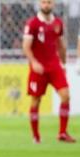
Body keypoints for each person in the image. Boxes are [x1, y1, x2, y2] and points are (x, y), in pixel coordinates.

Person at [22, 0, 76, 143]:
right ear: (40, 4)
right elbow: (26, 46)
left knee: (65, 95)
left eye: (49, 2)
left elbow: (61, 45)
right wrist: (33, 62)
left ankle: (62, 133)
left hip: (54, 66)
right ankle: (36, 135)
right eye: (44, 2)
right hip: (38, 67)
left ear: (53, 4)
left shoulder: (58, 23)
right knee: (36, 100)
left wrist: (63, 63)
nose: (46, 5)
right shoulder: (32, 23)